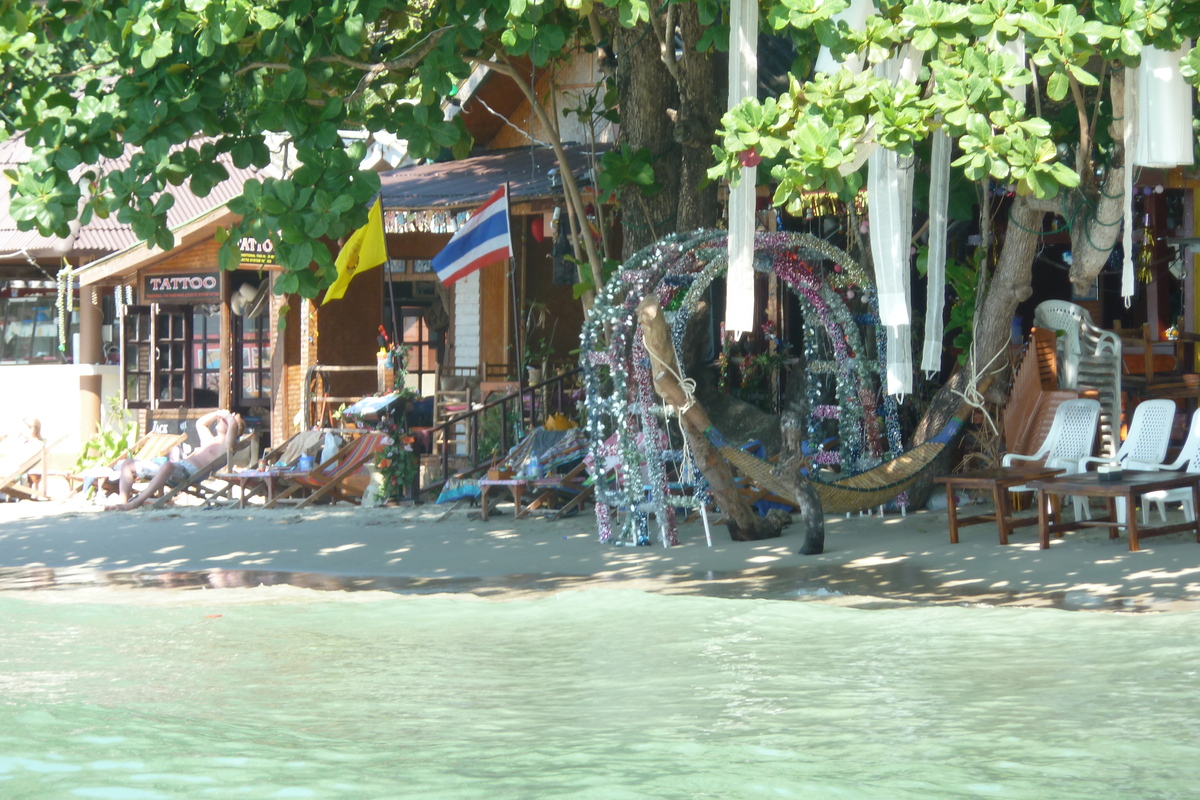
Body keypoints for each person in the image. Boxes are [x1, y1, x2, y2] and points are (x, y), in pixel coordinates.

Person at [106, 410, 244, 511]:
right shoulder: (209, 440)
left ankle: (135, 503)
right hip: (177, 466)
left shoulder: (225, 447)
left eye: (226, 420)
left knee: (167, 466)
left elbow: (232, 427)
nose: (222, 420)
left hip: (188, 473)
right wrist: (217, 413)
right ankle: (122, 502)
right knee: (127, 464)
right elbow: (200, 423)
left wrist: (228, 416)